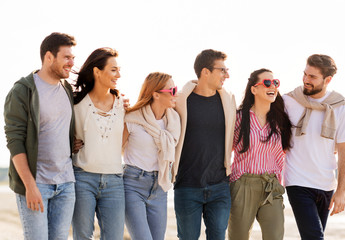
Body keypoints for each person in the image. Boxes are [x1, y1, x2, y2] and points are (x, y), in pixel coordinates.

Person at [4, 32, 77, 240]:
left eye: (73, 57)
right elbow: (15, 141)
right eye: (67, 57)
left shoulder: (67, 89)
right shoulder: (22, 91)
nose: (71, 63)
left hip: (65, 184)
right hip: (37, 183)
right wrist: (30, 186)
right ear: (49, 57)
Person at [283, 54, 345, 240]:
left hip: (326, 184)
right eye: (305, 74)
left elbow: (344, 151)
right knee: (315, 237)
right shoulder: (288, 101)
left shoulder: (341, 108)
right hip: (297, 181)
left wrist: (341, 190)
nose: (306, 80)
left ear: (327, 80)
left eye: (313, 77)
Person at [172, 49, 236, 240]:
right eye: (222, 70)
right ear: (205, 71)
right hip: (187, 186)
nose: (227, 75)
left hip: (220, 186)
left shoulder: (228, 100)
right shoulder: (180, 100)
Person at [228, 68, 292, 240]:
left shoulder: (281, 121)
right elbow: (225, 152)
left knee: (275, 236)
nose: (273, 86)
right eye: (267, 82)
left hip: (271, 186)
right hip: (242, 185)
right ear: (254, 89)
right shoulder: (239, 118)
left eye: (275, 82)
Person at [72, 47, 125, 239]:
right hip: (82, 179)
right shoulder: (75, 103)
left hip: (114, 181)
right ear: (96, 71)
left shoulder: (122, 105)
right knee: (83, 236)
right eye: (113, 70)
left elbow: (125, 140)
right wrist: (68, 144)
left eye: (118, 70)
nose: (118, 74)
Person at [122, 72, 181, 240]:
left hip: (160, 186)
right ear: (155, 94)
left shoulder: (174, 120)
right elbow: (114, 149)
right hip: (133, 185)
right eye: (172, 90)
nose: (175, 93)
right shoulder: (132, 118)